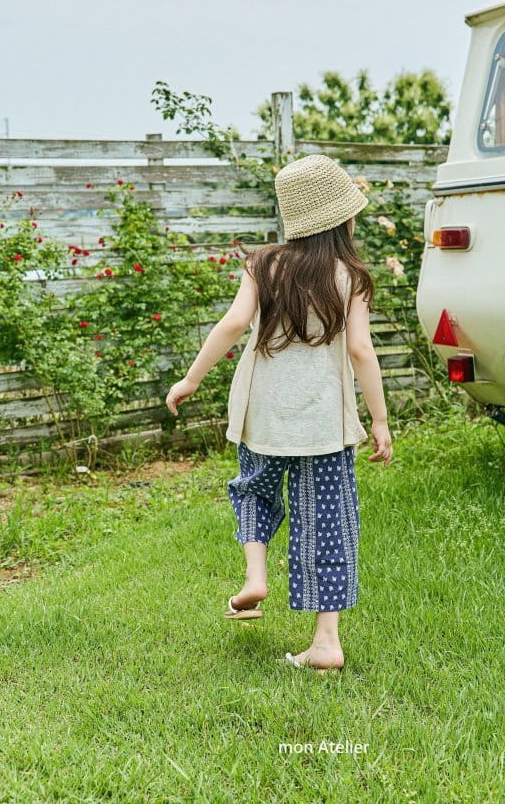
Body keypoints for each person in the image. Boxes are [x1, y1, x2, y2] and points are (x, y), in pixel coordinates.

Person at [165, 154, 393, 670]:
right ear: (342, 219)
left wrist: (190, 379)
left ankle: (255, 577)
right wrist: (378, 420)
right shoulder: (351, 276)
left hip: (263, 417)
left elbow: (231, 325)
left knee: (254, 490)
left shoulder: (262, 265)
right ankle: (326, 643)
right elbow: (361, 350)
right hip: (325, 425)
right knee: (328, 520)